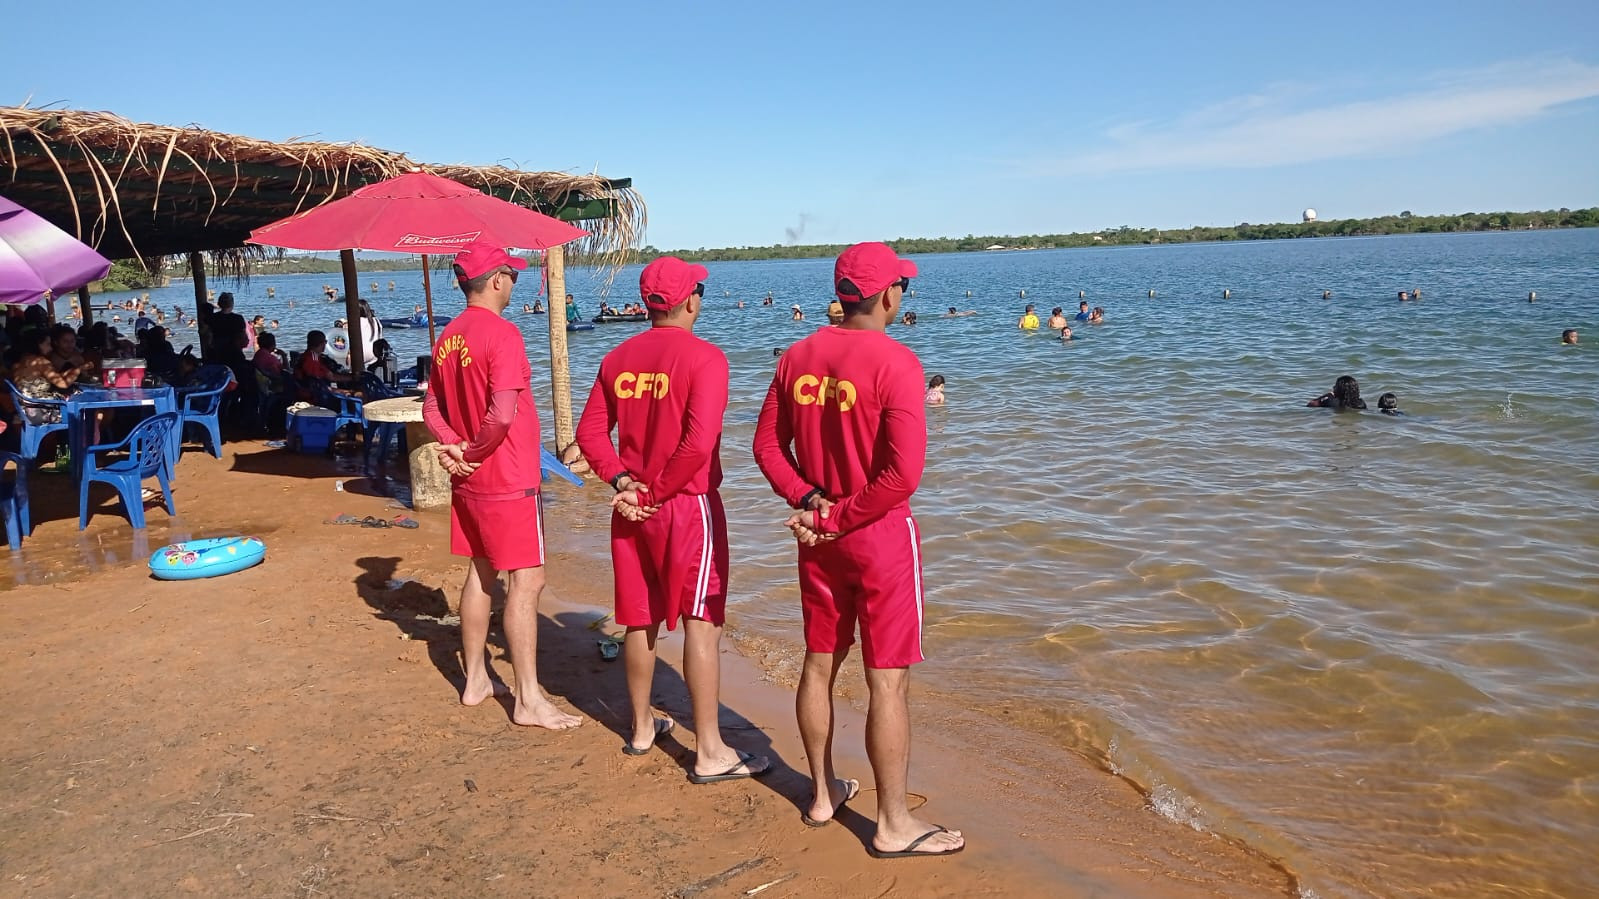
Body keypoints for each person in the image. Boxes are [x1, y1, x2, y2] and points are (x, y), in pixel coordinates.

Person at [753, 242, 964, 858]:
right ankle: (893, 823)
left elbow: (766, 448)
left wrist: (810, 502)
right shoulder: (897, 361)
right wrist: (838, 516)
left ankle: (822, 794)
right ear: (889, 295)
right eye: (903, 286)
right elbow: (902, 477)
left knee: (819, 663)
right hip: (875, 535)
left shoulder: (797, 355)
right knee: (887, 683)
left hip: (818, 536)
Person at [575, 257, 772, 781]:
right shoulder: (706, 358)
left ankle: (642, 727)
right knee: (700, 622)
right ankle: (709, 749)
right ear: (690, 301)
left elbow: (589, 434)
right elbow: (698, 444)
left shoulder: (618, 357)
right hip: (685, 505)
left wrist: (624, 483)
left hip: (632, 506)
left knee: (638, 618)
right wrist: (657, 493)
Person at [421, 239, 581, 731]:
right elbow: (503, 414)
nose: (513, 281)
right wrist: (470, 452)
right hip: (507, 476)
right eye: (510, 274)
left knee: (481, 571)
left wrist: (453, 447)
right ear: (495, 281)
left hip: (470, 480)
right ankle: (528, 698)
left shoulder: (449, 335)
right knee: (527, 582)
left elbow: (431, 407)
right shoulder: (503, 333)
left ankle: (475, 679)